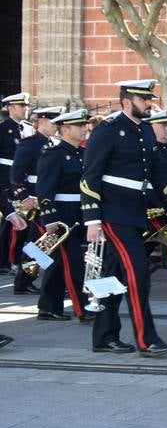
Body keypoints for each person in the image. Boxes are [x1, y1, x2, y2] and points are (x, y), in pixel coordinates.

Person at [81, 78, 167, 357]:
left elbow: (157, 174)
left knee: (113, 276)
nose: (150, 104)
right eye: (144, 100)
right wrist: (92, 220)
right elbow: (89, 176)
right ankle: (146, 339)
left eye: (150, 99)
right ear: (127, 102)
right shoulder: (108, 130)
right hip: (113, 213)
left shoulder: (146, 132)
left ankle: (104, 336)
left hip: (134, 212)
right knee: (138, 273)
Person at [33, 109, 94, 322]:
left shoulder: (84, 154)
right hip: (62, 217)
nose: (84, 129)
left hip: (81, 214)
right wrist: (50, 218)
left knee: (58, 263)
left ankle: (48, 307)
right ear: (65, 129)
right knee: (74, 264)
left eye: (85, 125)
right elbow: (45, 190)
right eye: (79, 126)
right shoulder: (54, 155)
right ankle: (83, 309)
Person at [9, 105, 62, 296]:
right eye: (53, 123)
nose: (56, 127)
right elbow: (16, 174)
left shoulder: (55, 144)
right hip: (36, 199)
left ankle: (24, 281)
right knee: (45, 242)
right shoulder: (29, 144)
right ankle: (27, 280)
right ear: (42, 122)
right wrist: (24, 196)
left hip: (50, 199)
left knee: (38, 243)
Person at [0, 92, 31, 280]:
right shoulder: (3, 130)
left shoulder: (28, 130)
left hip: (22, 181)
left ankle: (13, 259)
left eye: (26, 106)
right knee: (10, 222)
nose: (25, 109)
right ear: (11, 108)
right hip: (5, 180)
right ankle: (6, 260)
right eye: (22, 106)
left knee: (21, 223)